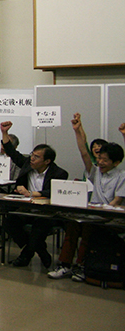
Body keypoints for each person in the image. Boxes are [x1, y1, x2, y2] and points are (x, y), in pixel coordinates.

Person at [48, 113, 125, 281]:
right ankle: (65, 265)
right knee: (73, 225)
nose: (100, 162)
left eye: (105, 160)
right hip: (93, 215)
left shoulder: (122, 176)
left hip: (112, 219)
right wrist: (77, 130)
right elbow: (84, 153)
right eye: (99, 158)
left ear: (116, 162)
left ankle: (82, 266)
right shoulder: (95, 172)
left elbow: (116, 201)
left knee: (89, 227)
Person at [0, 121, 68, 268]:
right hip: (26, 209)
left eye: (36, 157)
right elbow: (11, 151)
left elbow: (54, 192)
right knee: (9, 222)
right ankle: (40, 250)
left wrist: (32, 193)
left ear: (47, 161)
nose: (32, 158)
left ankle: (26, 255)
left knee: (39, 226)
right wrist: (4, 133)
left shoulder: (59, 173)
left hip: (48, 212)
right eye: (32, 155)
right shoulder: (27, 165)